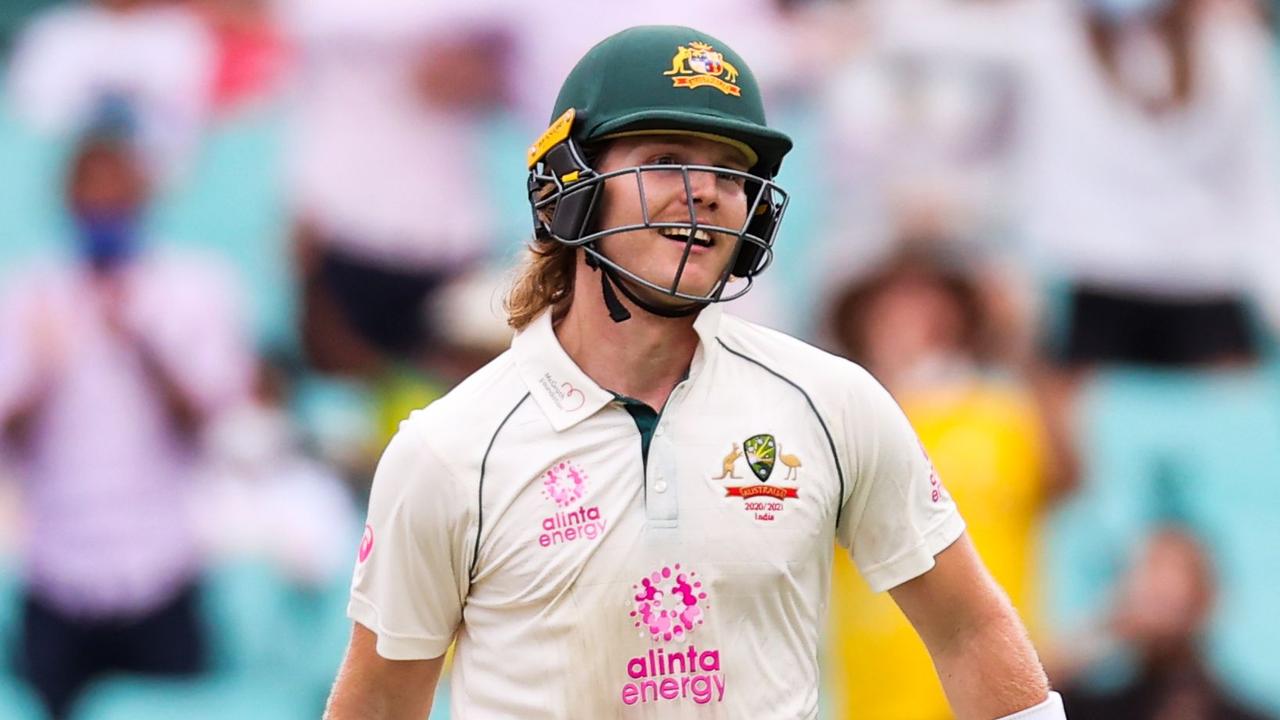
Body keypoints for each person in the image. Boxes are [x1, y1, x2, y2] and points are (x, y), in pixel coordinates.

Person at [325, 25, 1065, 719]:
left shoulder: (833, 403)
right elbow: (381, 702)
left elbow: (968, 629)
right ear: (567, 184)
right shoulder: (449, 451)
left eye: (730, 172)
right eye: (665, 162)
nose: (707, 191)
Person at [0, 115, 254, 719]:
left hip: (160, 569)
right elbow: (10, 433)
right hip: (58, 571)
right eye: (91, 190)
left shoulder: (195, 287)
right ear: (67, 199)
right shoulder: (28, 295)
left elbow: (211, 423)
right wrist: (44, 370)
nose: (104, 205)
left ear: (142, 194)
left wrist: (139, 341)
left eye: (117, 189)